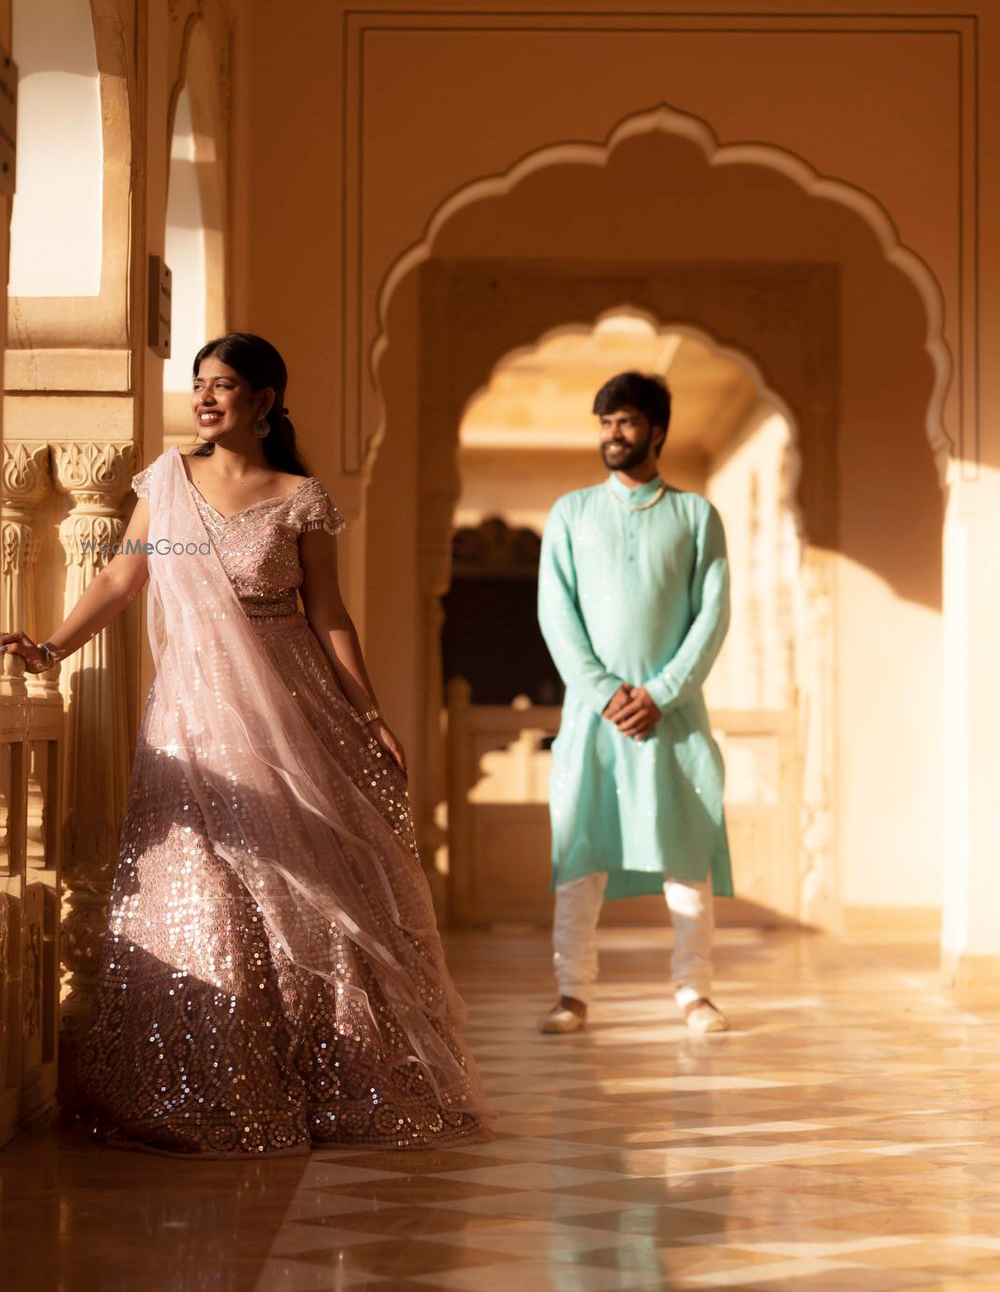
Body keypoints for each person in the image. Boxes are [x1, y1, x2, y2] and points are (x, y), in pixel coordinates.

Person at [1, 332, 489, 1156]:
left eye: (223, 385)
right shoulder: (166, 482)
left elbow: (328, 614)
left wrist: (368, 716)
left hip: (294, 709)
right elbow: (124, 577)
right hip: (194, 711)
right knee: (209, 881)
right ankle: (218, 1077)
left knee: (314, 886)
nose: (204, 398)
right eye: (199, 384)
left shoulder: (301, 498)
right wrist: (51, 648)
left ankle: (327, 1074)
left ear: (264, 402)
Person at [536, 370, 733, 1037]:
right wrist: (604, 693)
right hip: (593, 719)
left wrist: (660, 694)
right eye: (604, 423)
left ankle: (694, 991)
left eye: (624, 422)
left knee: (687, 852)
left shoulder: (696, 516)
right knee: (579, 853)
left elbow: (712, 616)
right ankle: (572, 994)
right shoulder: (570, 513)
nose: (612, 435)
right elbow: (556, 615)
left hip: (671, 720)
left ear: (657, 430)